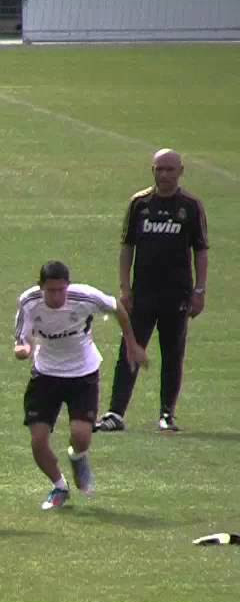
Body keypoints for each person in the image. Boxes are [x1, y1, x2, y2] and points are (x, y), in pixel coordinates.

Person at [14, 261, 147, 511]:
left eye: (61, 290)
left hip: (82, 374)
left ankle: (77, 458)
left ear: (68, 286)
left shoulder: (85, 296)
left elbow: (117, 308)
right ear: (40, 287)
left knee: (81, 437)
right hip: (46, 374)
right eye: (50, 290)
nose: (56, 296)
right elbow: (23, 335)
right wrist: (24, 348)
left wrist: (131, 343)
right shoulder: (29, 301)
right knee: (38, 440)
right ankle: (59, 487)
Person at [96, 148, 208, 433]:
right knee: (130, 349)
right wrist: (125, 287)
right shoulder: (139, 204)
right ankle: (115, 412)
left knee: (173, 353)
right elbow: (127, 247)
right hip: (142, 293)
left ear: (180, 171)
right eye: (159, 169)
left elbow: (200, 251)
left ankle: (167, 414)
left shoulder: (191, 207)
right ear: (152, 171)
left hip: (177, 294)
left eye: (170, 169)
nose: (164, 175)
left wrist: (199, 290)